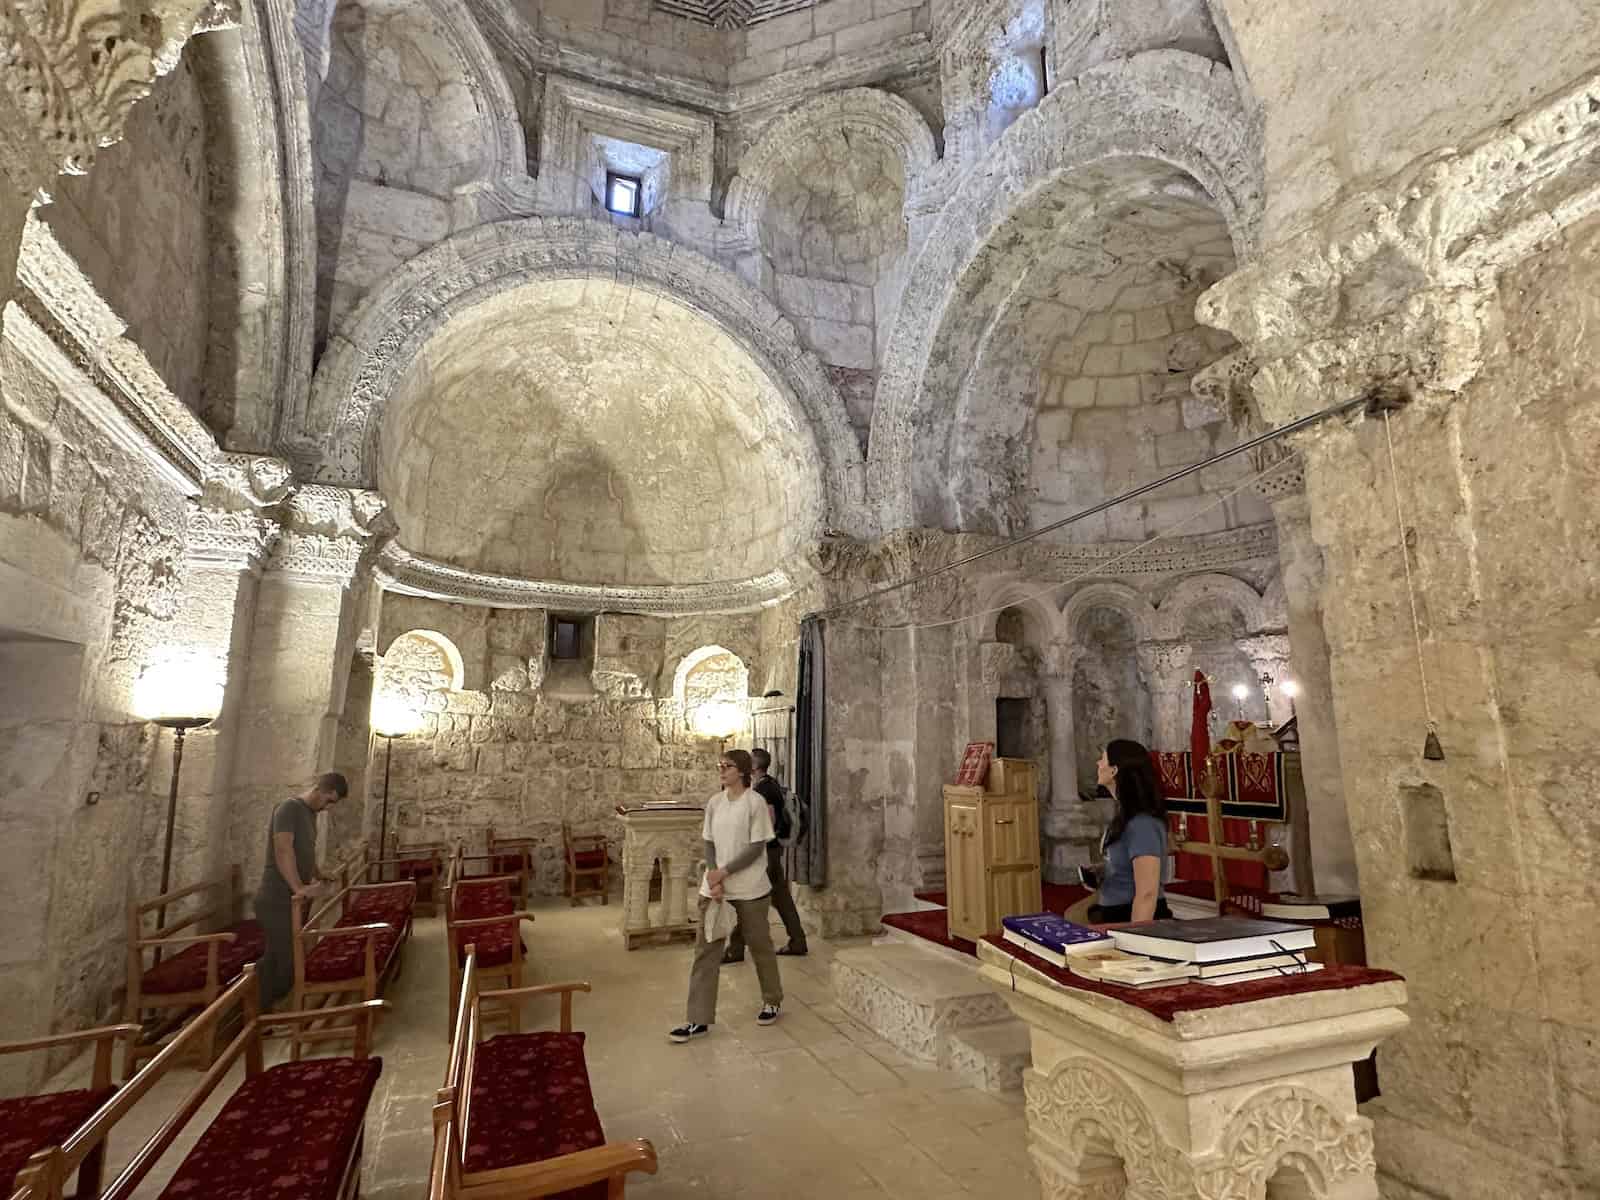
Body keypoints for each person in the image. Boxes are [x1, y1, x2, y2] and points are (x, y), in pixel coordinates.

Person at [668, 750, 783, 1043]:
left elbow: (757, 847)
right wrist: (713, 876)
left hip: (750, 888)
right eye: (720, 765)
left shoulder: (754, 802)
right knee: (706, 950)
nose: (721, 770)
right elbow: (709, 841)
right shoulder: (715, 802)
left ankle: (772, 999)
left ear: (742, 771)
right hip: (716, 887)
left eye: (727, 766)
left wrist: (725, 872)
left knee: (759, 945)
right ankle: (698, 1019)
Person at [254, 772, 347, 1008]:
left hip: (293, 899)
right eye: (328, 801)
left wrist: (318, 873)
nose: (327, 807)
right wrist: (299, 888)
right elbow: (283, 850)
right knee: (280, 957)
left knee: (290, 957)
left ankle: (267, 1008)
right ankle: (256, 1012)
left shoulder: (310, 815)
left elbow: (305, 850)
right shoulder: (288, 808)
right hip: (276, 898)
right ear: (319, 789)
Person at [1066, 740, 1174, 925]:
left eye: (1103, 759)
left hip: (1130, 917)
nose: (1098, 763)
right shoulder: (1125, 816)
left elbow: (1147, 894)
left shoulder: (1142, 824)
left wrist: (1135, 940)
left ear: (1114, 770)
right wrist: (1104, 870)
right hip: (1113, 911)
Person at [722, 747, 807, 962]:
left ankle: (736, 948)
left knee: (750, 899)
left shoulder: (765, 789)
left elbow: (766, 823)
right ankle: (797, 941)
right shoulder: (767, 785)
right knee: (781, 899)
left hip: (766, 854)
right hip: (772, 853)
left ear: (753, 767)